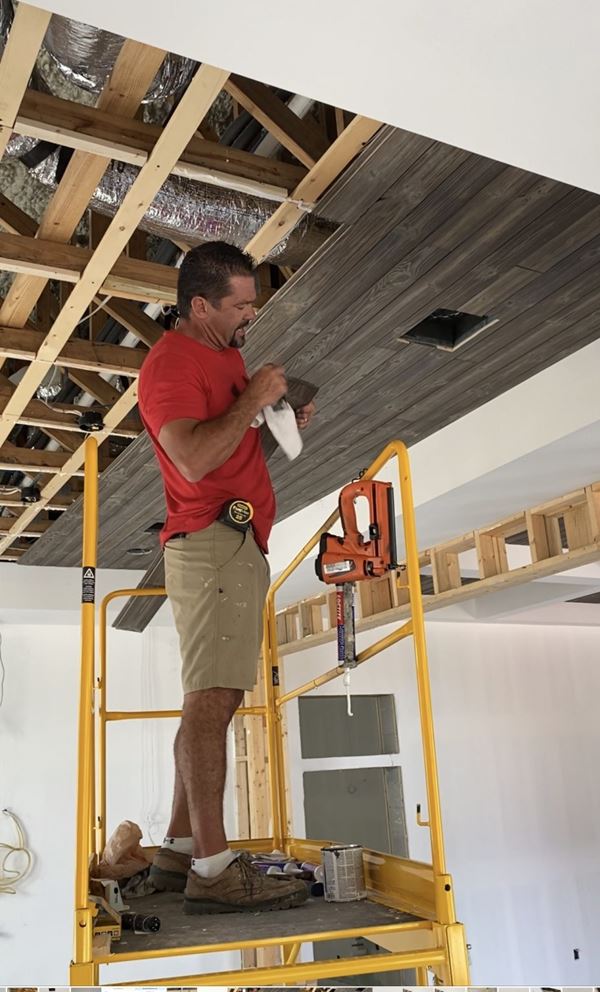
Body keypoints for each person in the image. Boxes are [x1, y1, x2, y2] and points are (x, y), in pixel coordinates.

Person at [138, 241, 315, 915]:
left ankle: (181, 850)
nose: (251, 313)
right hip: (215, 543)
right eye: (241, 303)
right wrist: (255, 400)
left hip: (231, 544)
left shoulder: (221, 354)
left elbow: (226, 445)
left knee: (212, 699)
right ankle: (214, 871)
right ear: (201, 304)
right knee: (210, 703)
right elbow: (188, 460)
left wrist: (273, 420)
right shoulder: (169, 366)